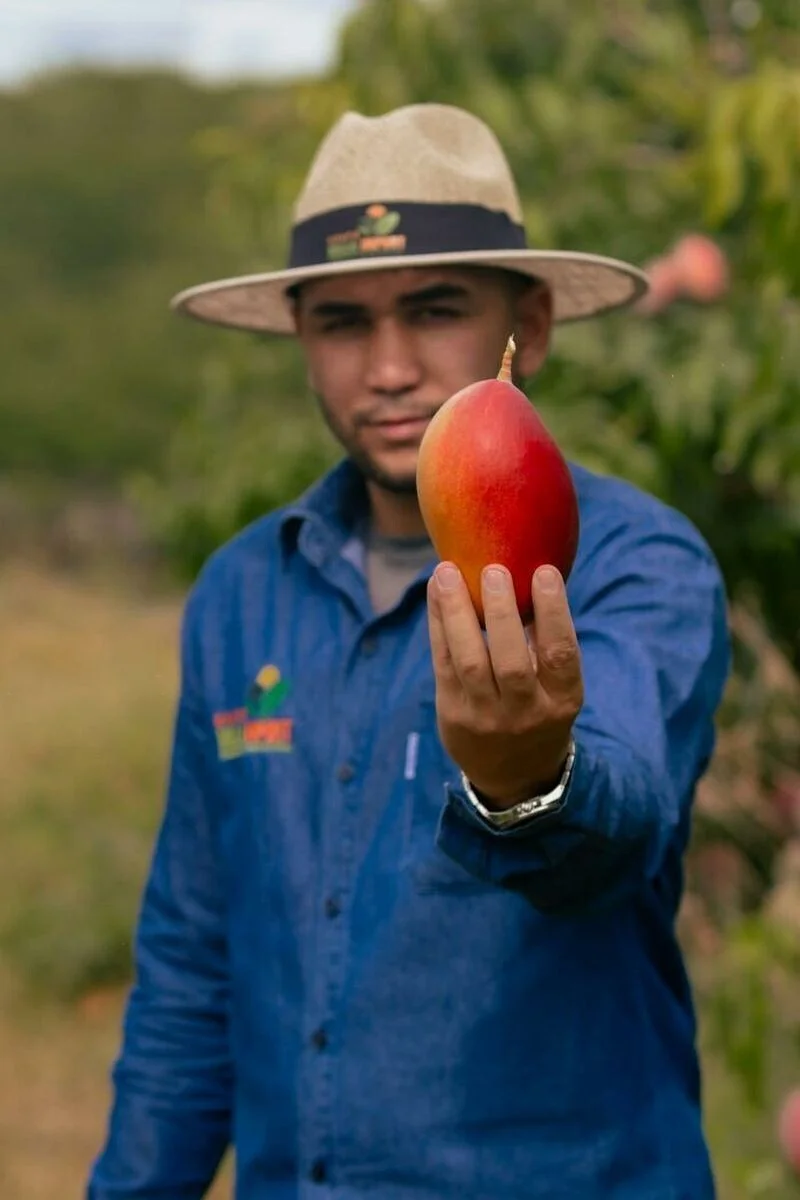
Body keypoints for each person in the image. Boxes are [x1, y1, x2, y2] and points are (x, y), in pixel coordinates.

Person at [87, 103, 730, 1199]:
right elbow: (195, 966)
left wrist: (528, 779)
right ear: (300, 336)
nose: (386, 367)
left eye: (432, 310)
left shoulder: (631, 566)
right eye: (342, 321)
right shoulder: (243, 594)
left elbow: (618, 821)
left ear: (527, 320)